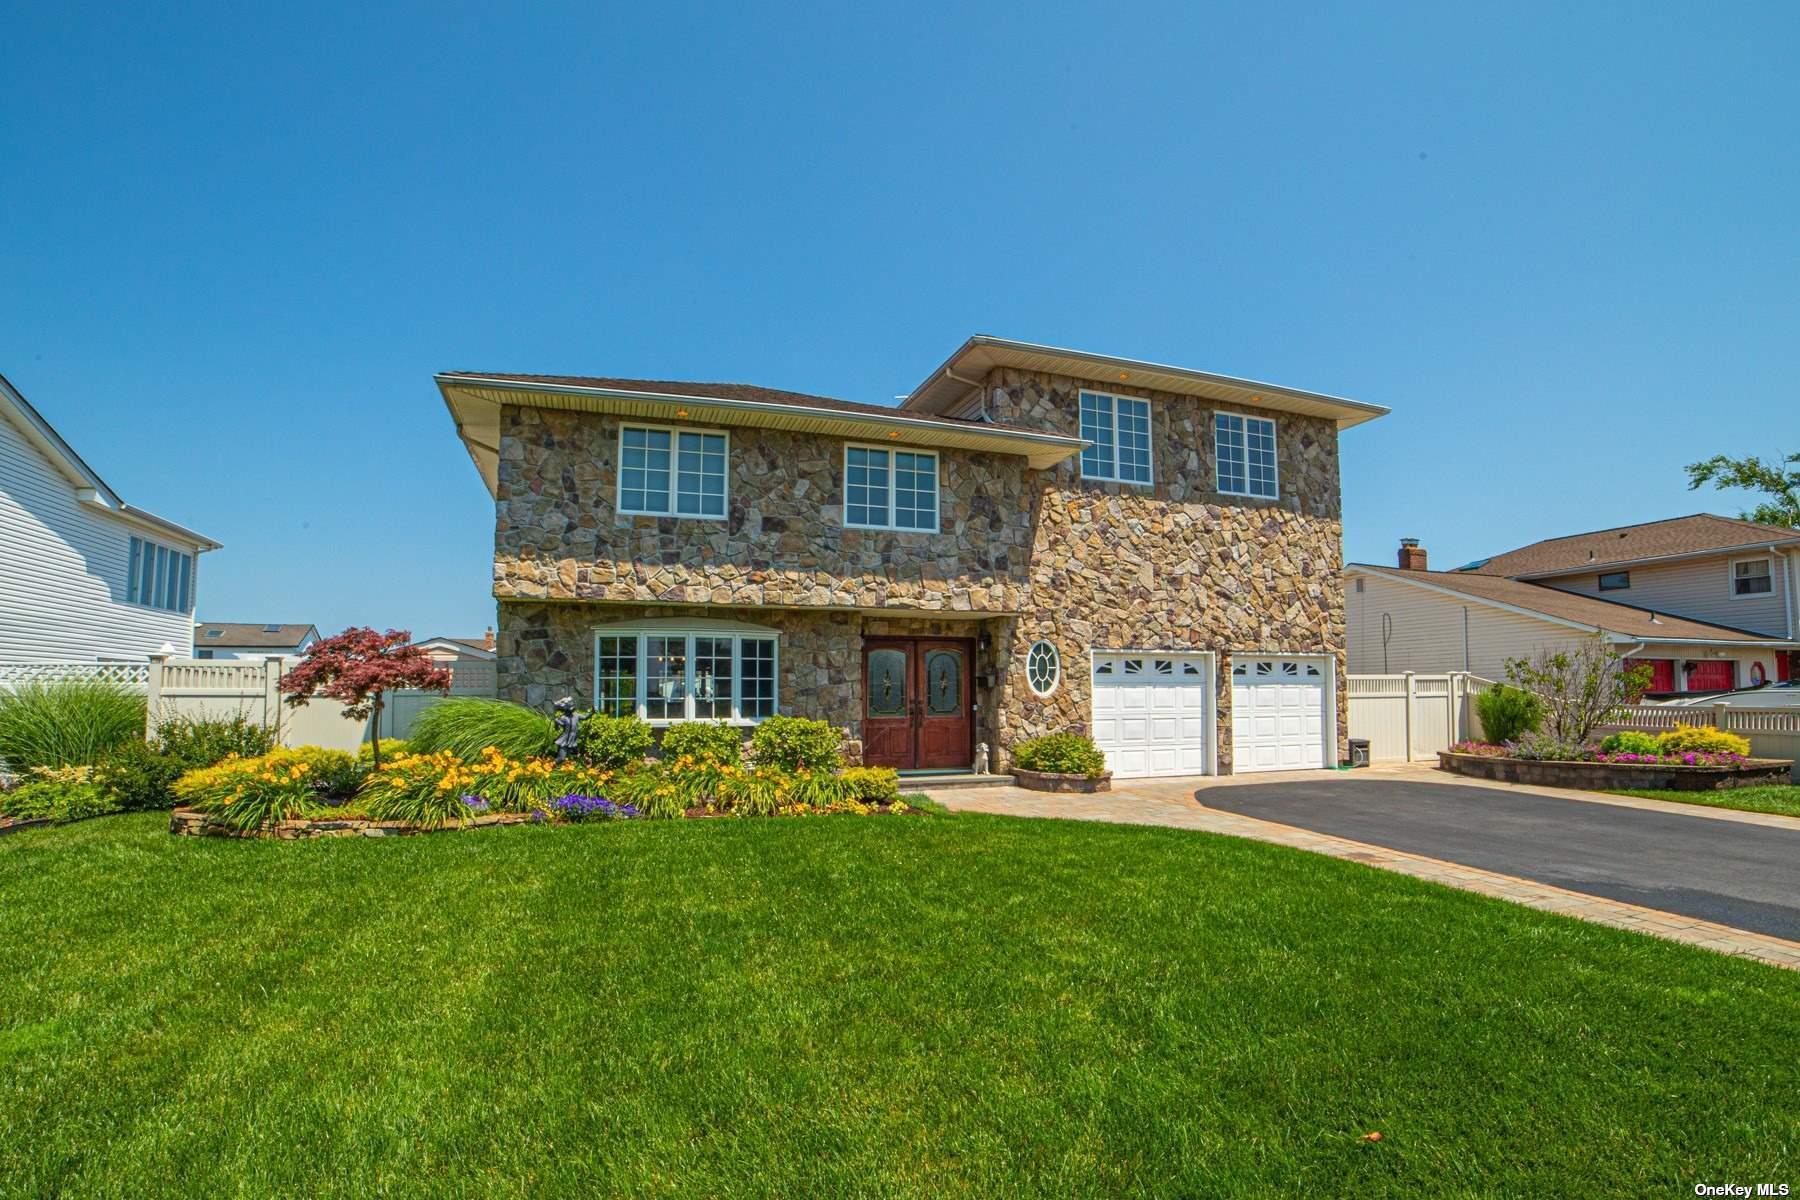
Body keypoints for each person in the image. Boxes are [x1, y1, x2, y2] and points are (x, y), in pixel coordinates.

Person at [551, 697, 592, 765]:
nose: (572, 710)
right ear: (565, 710)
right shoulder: (563, 718)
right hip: (565, 740)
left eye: (572, 708)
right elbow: (557, 728)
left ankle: (577, 765)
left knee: (576, 755)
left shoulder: (576, 715)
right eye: (570, 709)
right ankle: (551, 766)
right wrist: (556, 722)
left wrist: (591, 713)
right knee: (561, 758)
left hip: (573, 739)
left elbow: (585, 717)